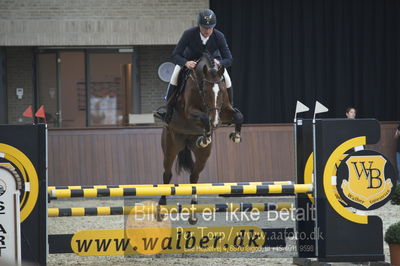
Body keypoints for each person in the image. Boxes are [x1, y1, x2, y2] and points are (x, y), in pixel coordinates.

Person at [154, 9, 240, 124]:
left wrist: (220, 63)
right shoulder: (189, 34)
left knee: (227, 79)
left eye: (210, 27)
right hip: (190, 62)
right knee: (174, 75)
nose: (207, 30)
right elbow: (175, 54)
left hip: (212, 66)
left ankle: (229, 108)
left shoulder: (219, 36)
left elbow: (229, 59)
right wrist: (185, 62)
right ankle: (168, 110)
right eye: (204, 27)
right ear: (199, 25)